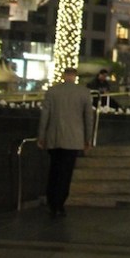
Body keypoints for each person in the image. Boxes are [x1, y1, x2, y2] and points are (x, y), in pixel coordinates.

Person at [38, 67, 94, 217]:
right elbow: (88, 118)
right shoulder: (84, 92)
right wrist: (87, 139)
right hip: (74, 139)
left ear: (64, 76)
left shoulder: (52, 91)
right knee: (66, 172)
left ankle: (52, 202)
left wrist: (41, 136)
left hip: (54, 137)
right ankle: (60, 203)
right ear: (75, 76)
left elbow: (45, 116)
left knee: (54, 170)